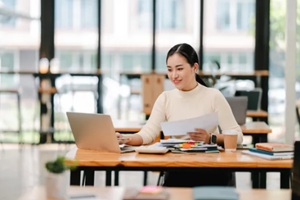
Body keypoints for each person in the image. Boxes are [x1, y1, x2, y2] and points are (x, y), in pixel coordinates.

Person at [117, 43, 243, 187]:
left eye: (179, 69)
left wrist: (210, 138)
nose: (174, 75)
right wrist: (126, 139)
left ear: (194, 67)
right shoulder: (165, 98)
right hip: (178, 167)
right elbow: (147, 133)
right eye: (170, 70)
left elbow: (238, 136)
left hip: (210, 168)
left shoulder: (213, 96)